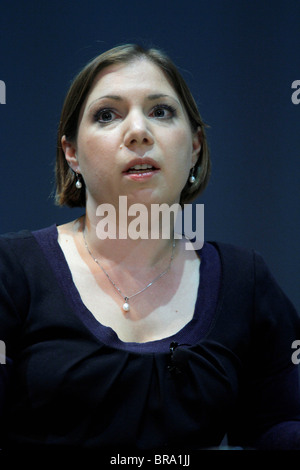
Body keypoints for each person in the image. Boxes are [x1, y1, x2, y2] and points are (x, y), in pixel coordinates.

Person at [0, 43, 300, 451]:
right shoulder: (12, 271)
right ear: (71, 153)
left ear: (194, 146)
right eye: (107, 115)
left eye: (161, 111)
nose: (139, 131)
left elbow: (279, 424)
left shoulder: (245, 281)